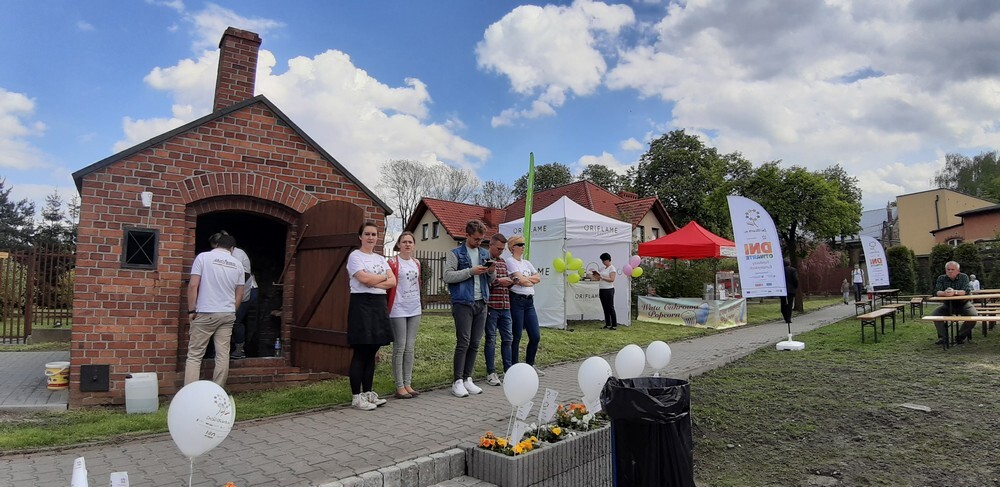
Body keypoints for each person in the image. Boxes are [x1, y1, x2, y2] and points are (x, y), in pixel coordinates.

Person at [346, 221, 396, 410]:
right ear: (360, 236)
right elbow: (363, 279)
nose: (370, 237)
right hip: (361, 305)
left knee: (372, 351)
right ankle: (356, 397)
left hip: (378, 305)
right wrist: (380, 278)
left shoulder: (381, 259)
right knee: (361, 351)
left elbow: (392, 282)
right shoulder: (355, 257)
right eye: (367, 234)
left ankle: (368, 392)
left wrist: (375, 280)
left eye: (374, 234)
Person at [184, 233, 245, 388]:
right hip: (227, 313)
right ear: (231, 248)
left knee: (195, 355)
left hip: (206, 312)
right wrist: (233, 311)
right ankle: (218, 390)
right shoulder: (237, 264)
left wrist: (191, 311)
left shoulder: (203, 258)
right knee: (223, 355)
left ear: (217, 245)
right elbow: (240, 293)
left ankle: (190, 392)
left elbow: (193, 286)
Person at [443, 219, 495, 398]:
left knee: (475, 342)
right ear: (467, 235)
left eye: (481, 240)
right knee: (463, 341)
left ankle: (467, 378)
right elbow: (448, 276)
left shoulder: (485, 253)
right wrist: (470, 272)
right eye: (476, 239)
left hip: (482, 302)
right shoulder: (455, 253)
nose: (479, 243)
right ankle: (457, 381)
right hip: (463, 302)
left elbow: (491, 279)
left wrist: (491, 271)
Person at [387, 232, 421, 399]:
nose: (407, 244)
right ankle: (399, 385)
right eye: (404, 242)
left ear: (414, 245)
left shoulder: (416, 263)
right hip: (398, 309)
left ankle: (408, 383)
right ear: (399, 245)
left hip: (414, 308)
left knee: (410, 348)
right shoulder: (392, 262)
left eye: (410, 242)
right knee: (400, 347)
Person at [504, 235, 543, 375]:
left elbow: (538, 278)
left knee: (535, 335)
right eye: (520, 244)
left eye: (524, 244)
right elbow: (521, 281)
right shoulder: (510, 261)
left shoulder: (526, 263)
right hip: (517, 300)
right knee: (517, 335)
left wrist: (525, 279)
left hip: (529, 301)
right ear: (512, 247)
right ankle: (514, 367)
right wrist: (526, 280)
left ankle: (530, 364)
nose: (523, 247)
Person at [483, 233, 514, 386]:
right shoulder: (486, 261)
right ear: (491, 245)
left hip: (505, 305)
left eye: (503, 249)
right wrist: (498, 282)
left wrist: (510, 282)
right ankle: (491, 372)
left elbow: (507, 281)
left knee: (508, 339)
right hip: (491, 306)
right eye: (499, 248)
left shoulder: (503, 262)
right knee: (491, 340)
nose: (501, 251)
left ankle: (508, 370)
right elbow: (485, 283)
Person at [220, 231, 257, 360]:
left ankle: (239, 349)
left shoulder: (238, 254)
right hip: (234, 291)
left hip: (247, 289)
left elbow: (243, 276)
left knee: (235, 319)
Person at [928, 261, 977, 345]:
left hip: (963, 304)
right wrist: (944, 293)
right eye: (948, 269)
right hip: (947, 305)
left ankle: (960, 337)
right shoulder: (941, 278)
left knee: (974, 316)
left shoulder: (963, 277)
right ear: (945, 270)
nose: (950, 271)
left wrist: (955, 292)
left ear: (958, 271)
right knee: (935, 314)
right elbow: (936, 291)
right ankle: (944, 338)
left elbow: (966, 290)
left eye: (952, 269)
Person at [591, 253, 618, 330]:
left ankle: (614, 324)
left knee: (610, 307)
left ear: (608, 260)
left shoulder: (612, 268)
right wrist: (596, 276)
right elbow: (599, 278)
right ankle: (608, 323)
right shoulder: (603, 268)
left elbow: (612, 279)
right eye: (602, 260)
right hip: (602, 288)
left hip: (609, 289)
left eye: (604, 260)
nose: (603, 262)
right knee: (605, 307)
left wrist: (602, 277)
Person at [780, 259, 798, 325]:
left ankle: (785, 316)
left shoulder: (780, 271)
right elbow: (795, 279)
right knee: (790, 304)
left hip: (782, 289)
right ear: (789, 264)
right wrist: (795, 286)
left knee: (783, 303)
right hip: (791, 289)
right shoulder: (793, 270)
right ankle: (788, 318)